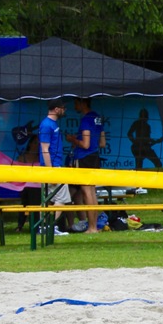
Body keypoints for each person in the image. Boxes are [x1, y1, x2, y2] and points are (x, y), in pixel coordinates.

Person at [66, 98, 106, 235]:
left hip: (84, 158)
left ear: (83, 103)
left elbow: (85, 144)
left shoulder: (86, 120)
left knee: (86, 192)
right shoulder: (97, 118)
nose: (74, 105)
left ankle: (92, 227)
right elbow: (102, 143)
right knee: (92, 191)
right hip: (95, 157)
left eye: (76, 102)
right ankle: (94, 226)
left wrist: (72, 140)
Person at [39, 99, 72, 236]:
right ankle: (49, 226)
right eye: (63, 107)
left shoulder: (52, 124)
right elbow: (44, 149)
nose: (64, 110)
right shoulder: (47, 125)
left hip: (54, 166)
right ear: (56, 109)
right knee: (61, 199)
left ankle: (44, 227)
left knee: (48, 199)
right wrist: (50, 170)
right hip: (52, 168)